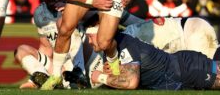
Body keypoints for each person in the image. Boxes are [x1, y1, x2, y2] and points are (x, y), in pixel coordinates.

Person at [87, 28, 220, 90]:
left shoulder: (124, 43)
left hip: (187, 68)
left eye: (90, 36)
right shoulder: (111, 50)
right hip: (178, 75)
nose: (88, 41)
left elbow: (131, 82)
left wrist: (100, 77)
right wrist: (114, 73)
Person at [14, 0, 87, 89]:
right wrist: (32, 78)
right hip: (59, 69)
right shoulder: (40, 13)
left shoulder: (73, 4)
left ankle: (78, 74)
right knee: (21, 50)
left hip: (83, 65)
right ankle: (41, 79)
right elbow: (46, 47)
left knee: (62, 22)